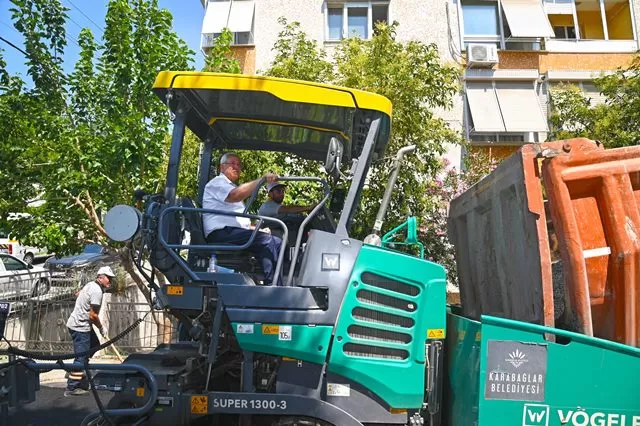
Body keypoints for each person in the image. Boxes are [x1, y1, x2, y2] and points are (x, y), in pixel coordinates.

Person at [203, 153, 283, 285]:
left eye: (238, 164)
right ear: (221, 167)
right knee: (267, 241)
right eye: (232, 163)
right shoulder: (217, 183)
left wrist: (257, 228)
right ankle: (274, 287)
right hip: (220, 233)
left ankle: (278, 281)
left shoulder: (231, 186)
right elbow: (235, 196)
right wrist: (261, 180)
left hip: (231, 231)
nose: (236, 167)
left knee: (278, 241)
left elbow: (238, 220)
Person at [65, 265, 114, 396]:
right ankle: (72, 386)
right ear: (101, 277)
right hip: (80, 327)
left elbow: (78, 294)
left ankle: (78, 371)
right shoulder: (97, 291)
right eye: (108, 278)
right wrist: (101, 328)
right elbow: (93, 315)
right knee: (81, 357)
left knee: (94, 346)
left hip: (77, 324)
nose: (110, 281)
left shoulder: (90, 285)